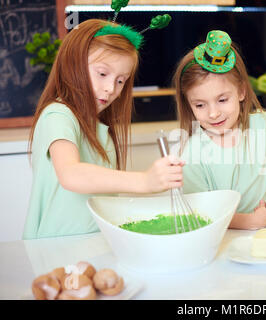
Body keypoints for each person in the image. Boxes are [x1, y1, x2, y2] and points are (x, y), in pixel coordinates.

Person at [23, 19, 183, 239]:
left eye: (121, 81)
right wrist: (144, 181)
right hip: (55, 249)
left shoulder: (100, 130)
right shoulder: (58, 114)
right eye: (102, 73)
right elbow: (71, 174)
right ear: (73, 64)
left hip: (92, 244)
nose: (111, 89)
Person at [172, 30, 266, 230]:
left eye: (222, 100)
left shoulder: (263, 126)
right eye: (200, 105)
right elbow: (199, 215)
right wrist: (250, 222)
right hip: (228, 244)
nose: (213, 113)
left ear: (241, 91)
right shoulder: (191, 155)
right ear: (188, 104)